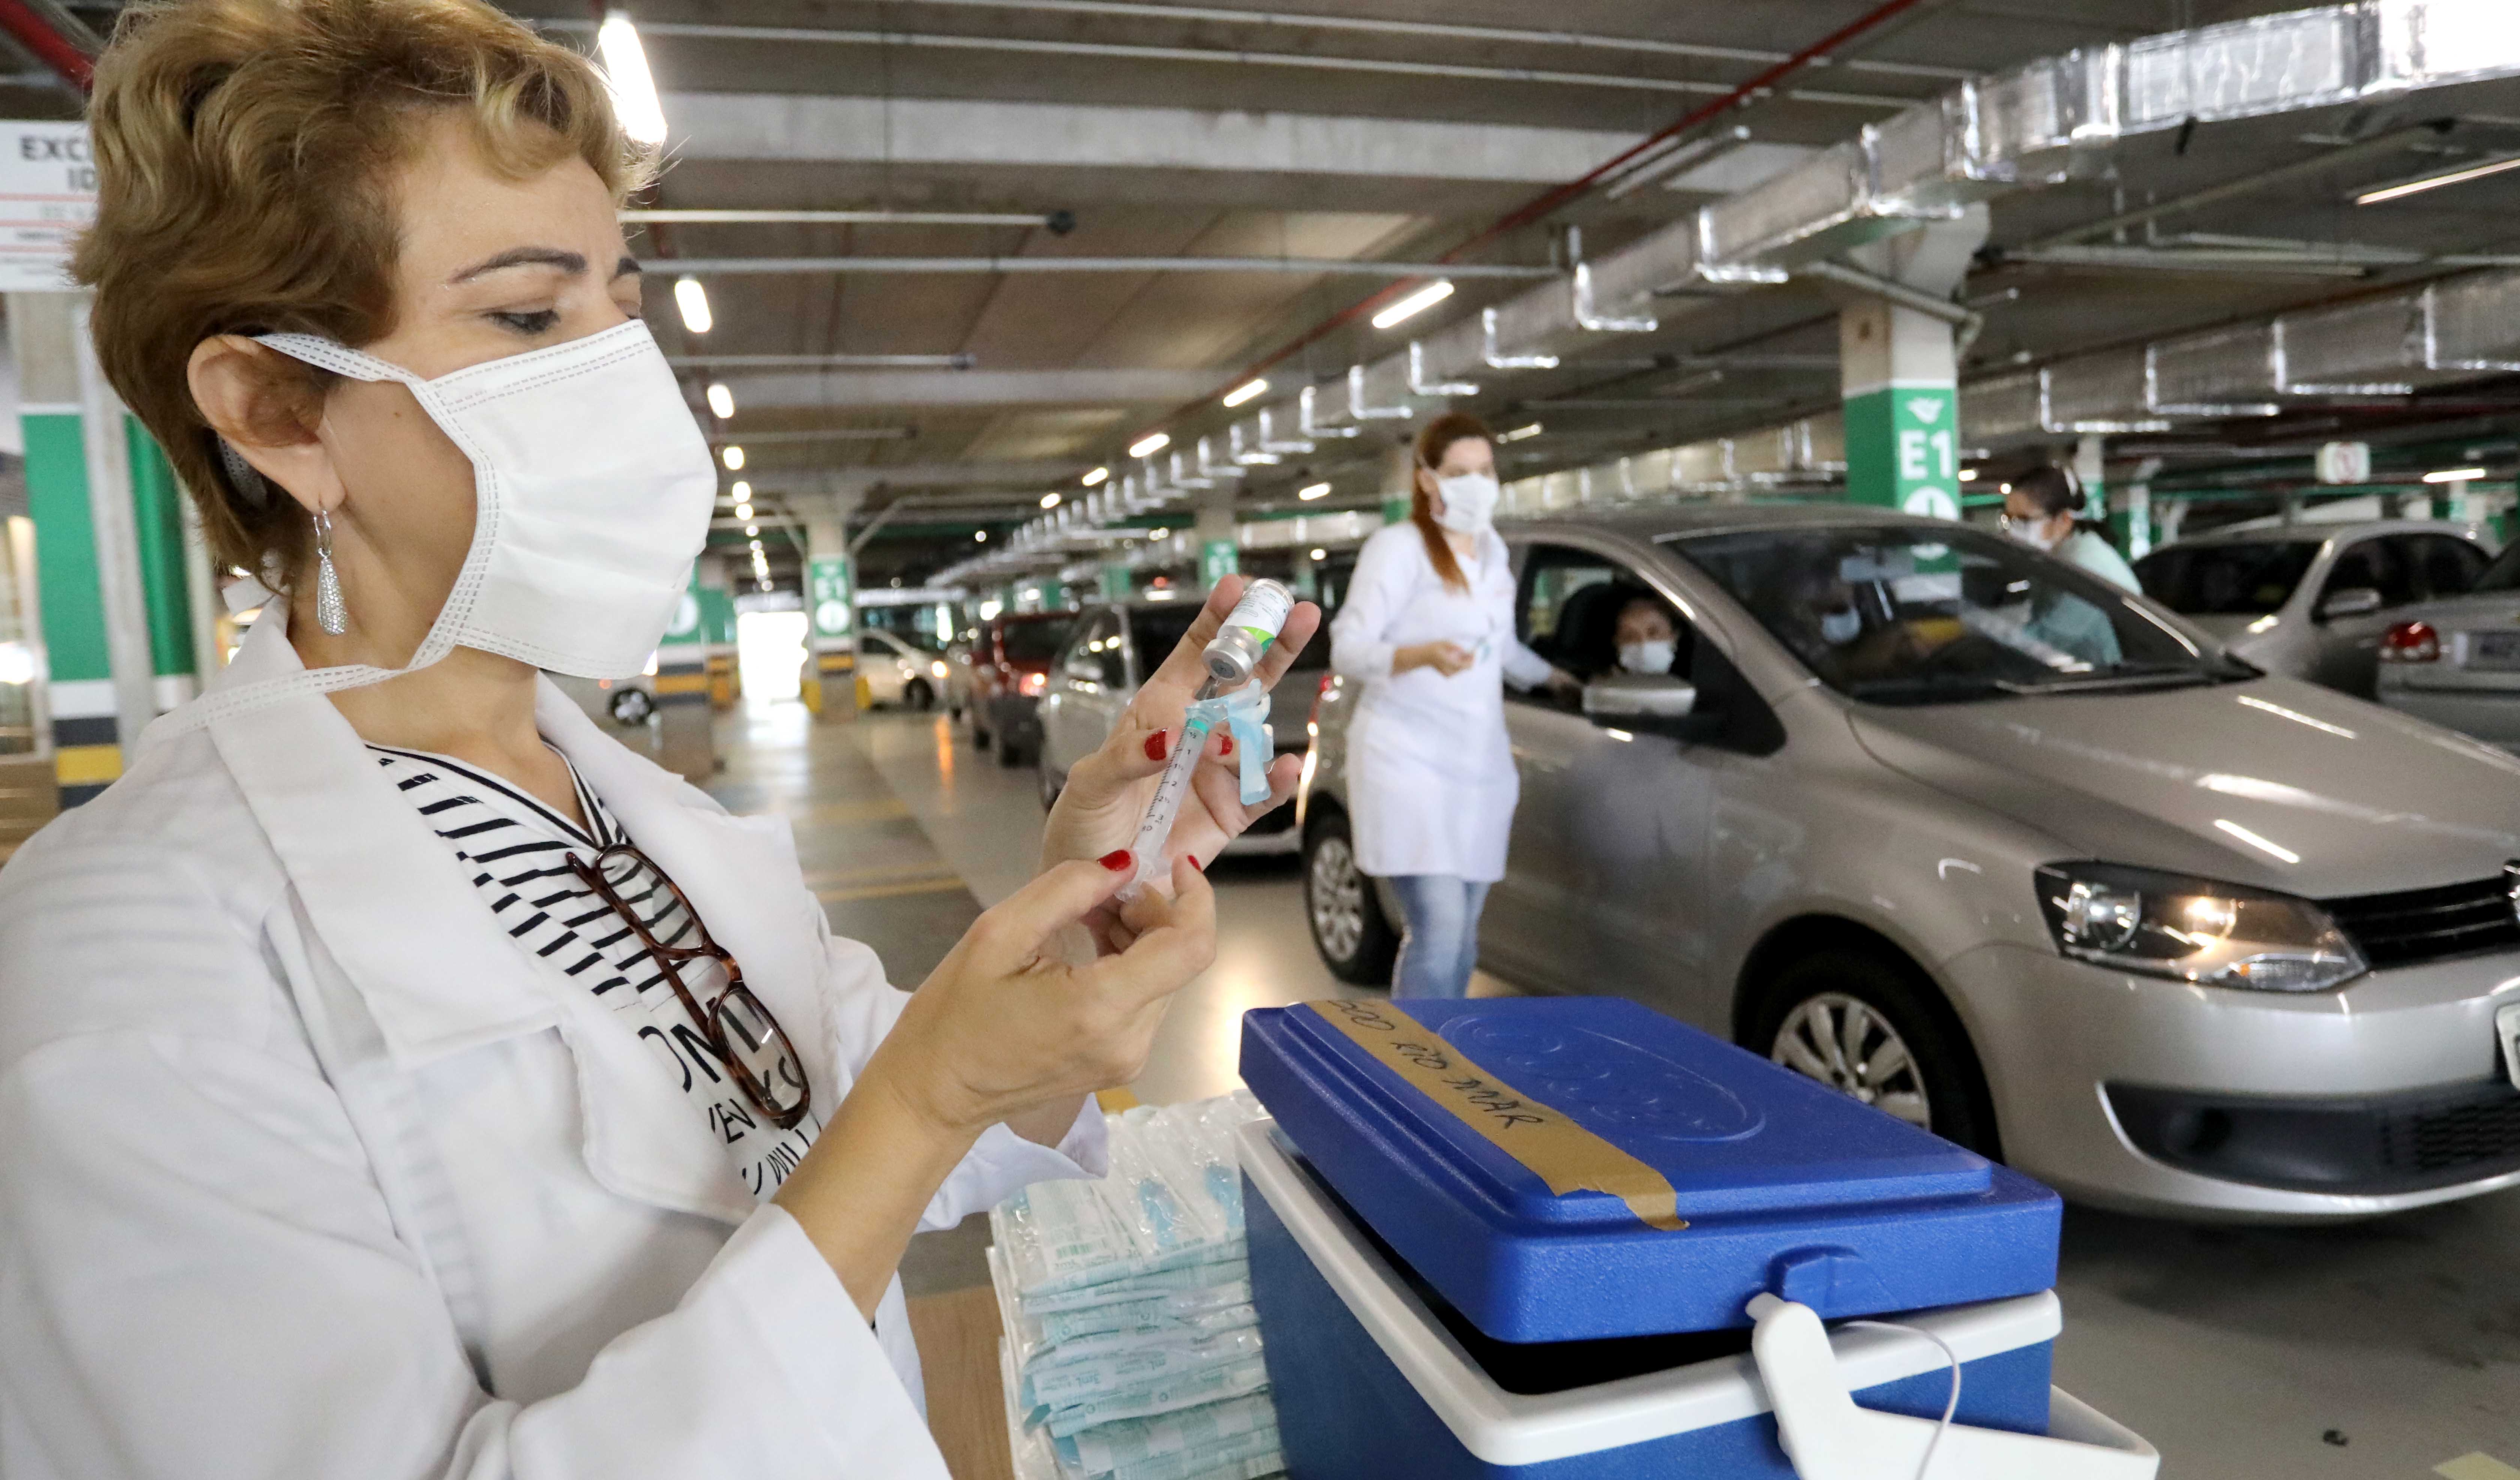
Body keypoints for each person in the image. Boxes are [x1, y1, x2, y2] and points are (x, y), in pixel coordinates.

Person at [0, 1, 1318, 1475]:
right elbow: (902, 1114)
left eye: (619, 307)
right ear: (275, 410)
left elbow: (867, 1127)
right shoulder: (130, 958)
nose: (627, 380)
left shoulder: (640, 815)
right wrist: (924, 1099)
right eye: (527, 317)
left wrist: (1077, 920)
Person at [1329, 412, 1571, 999]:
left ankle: (1443, 1043)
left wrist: (1561, 681)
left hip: (1478, 768)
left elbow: (1502, 649)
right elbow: (1347, 649)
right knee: (1438, 931)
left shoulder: (1492, 553)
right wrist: (1421, 655)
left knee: (1465, 940)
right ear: (1427, 479)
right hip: (1406, 762)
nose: (1477, 484)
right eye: (1460, 473)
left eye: (1486, 471)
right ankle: (1416, 1054)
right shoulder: (1399, 549)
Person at [2002, 466, 2139, 592]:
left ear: (2064, 520)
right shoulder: (2064, 557)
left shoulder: (2080, 568)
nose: (2012, 531)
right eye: (2009, 519)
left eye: (2024, 521)